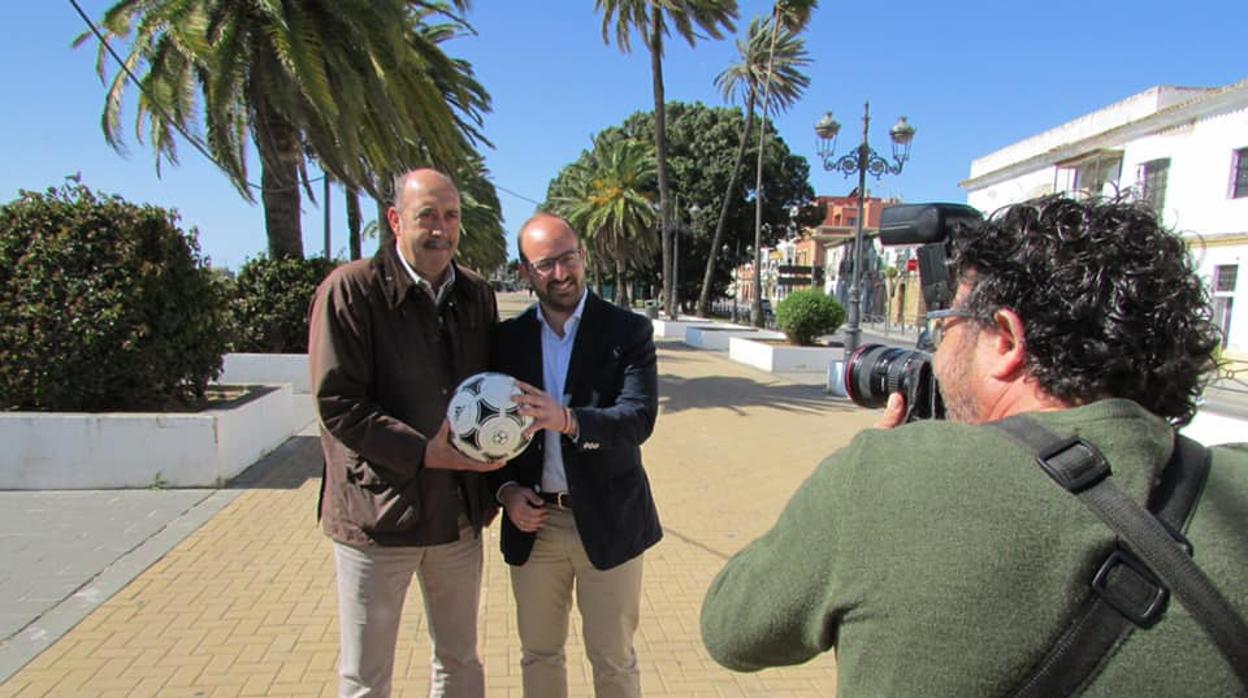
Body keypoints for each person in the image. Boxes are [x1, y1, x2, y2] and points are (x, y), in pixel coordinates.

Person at [700, 196, 1248, 696]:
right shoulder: (1231, 483)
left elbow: (731, 630)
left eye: (947, 326)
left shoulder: (883, 478)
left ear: (1006, 342)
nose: (937, 355)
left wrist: (880, 469)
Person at [308, 168, 504, 698]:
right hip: (376, 521)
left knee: (460, 661)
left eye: (451, 216)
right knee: (367, 676)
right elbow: (338, 403)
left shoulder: (477, 295)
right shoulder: (350, 291)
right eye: (427, 216)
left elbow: (490, 391)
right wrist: (425, 453)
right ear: (396, 220)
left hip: (457, 518)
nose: (441, 228)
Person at [490, 213, 662, 698]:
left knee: (612, 659)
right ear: (526, 272)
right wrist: (504, 492)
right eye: (546, 264)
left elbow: (638, 419)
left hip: (608, 520)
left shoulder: (627, 331)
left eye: (569, 258)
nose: (561, 273)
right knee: (539, 655)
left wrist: (568, 420)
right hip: (535, 525)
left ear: (583, 257)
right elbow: (485, 435)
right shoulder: (506, 341)